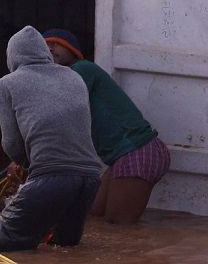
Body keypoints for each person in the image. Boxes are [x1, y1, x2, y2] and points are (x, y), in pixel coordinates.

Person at [0, 26, 103, 252]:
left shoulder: (6, 84)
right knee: (65, 249)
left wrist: (26, 165)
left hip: (51, 177)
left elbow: (10, 143)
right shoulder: (74, 77)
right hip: (90, 179)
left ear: (12, 56)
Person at [42, 28, 171, 224]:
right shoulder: (65, 80)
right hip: (123, 156)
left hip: (137, 151)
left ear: (73, 49)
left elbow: (59, 112)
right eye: (45, 45)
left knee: (118, 227)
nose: (50, 48)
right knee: (95, 214)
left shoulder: (82, 69)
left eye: (55, 43)